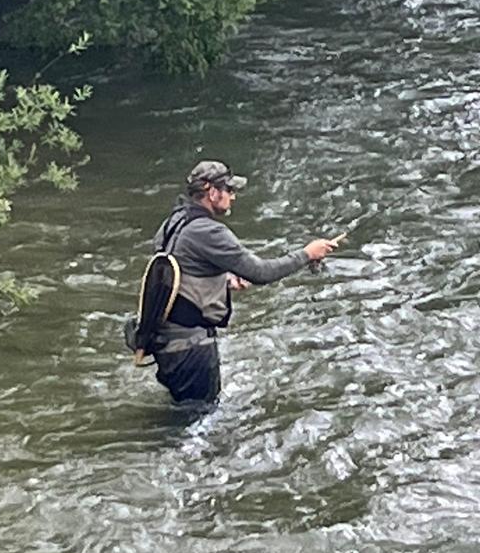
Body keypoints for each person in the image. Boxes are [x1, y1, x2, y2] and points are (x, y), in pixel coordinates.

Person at [142, 160, 337, 404]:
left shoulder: (173, 222)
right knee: (200, 424)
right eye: (229, 190)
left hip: (166, 344)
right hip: (192, 351)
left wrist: (223, 279)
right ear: (212, 192)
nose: (233, 197)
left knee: (183, 414)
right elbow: (261, 272)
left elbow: (177, 271)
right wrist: (307, 253)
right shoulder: (210, 232)